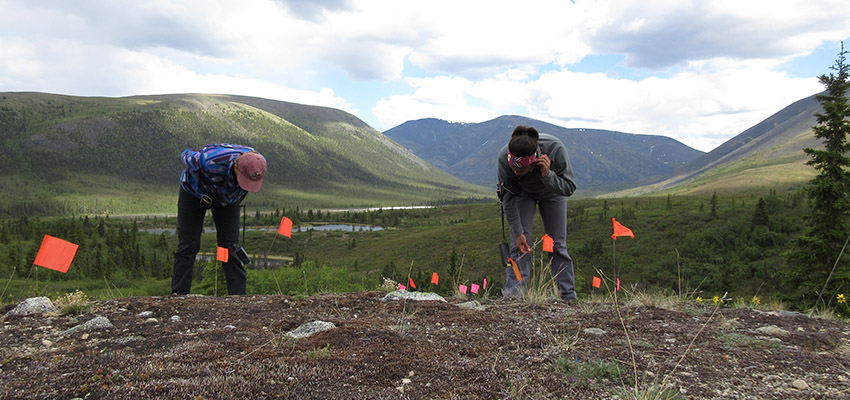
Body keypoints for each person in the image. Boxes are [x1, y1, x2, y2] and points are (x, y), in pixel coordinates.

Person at [171, 143, 267, 295]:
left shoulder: (258, 164)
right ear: (236, 168)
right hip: (194, 192)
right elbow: (186, 154)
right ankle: (179, 294)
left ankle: (238, 295)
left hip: (227, 199)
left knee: (229, 245)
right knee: (188, 243)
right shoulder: (211, 160)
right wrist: (195, 154)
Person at [497, 125, 577, 301]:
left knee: (557, 244)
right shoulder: (505, 156)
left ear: (535, 161)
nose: (516, 173)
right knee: (519, 245)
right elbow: (507, 200)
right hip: (522, 194)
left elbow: (569, 188)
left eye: (521, 170)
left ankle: (567, 296)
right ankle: (513, 296)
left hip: (553, 191)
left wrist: (548, 175)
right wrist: (518, 233)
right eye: (514, 169)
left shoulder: (555, 148)